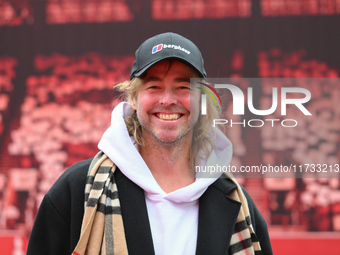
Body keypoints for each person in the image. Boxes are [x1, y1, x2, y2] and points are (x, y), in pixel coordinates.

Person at [27, 32, 273, 255]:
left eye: (183, 86)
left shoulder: (238, 204)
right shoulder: (75, 191)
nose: (168, 100)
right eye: (154, 86)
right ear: (133, 98)